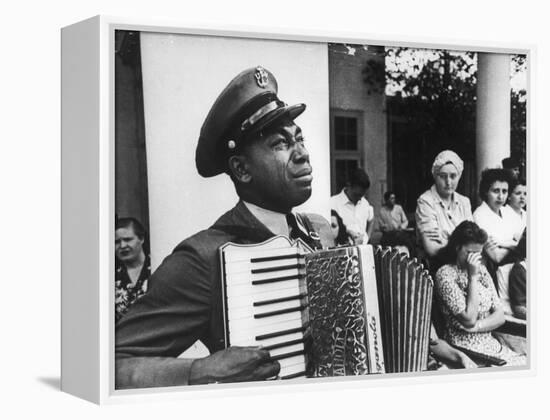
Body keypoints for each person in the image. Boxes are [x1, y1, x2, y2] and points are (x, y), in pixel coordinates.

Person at [115, 66, 333, 388]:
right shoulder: (202, 259)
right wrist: (200, 371)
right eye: (280, 143)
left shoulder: (319, 230)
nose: (302, 153)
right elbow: (112, 364)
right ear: (241, 169)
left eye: (299, 138)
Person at [434, 221, 526, 366]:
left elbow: (500, 316)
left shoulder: (481, 270)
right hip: (466, 349)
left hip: (491, 344)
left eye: (479, 253)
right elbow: (469, 319)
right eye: (470, 253)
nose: (475, 258)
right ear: (457, 247)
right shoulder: (445, 274)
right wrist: (472, 277)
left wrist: (478, 326)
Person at [415, 150, 473, 270]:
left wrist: (445, 239)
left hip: (465, 266)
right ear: (435, 176)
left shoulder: (464, 202)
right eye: (443, 176)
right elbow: (432, 249)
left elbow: (473, 242)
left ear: (459, 176)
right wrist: (461, 244)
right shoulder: (426, 201)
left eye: (453, 176)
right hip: (436, 267)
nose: (448, 182)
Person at [473, 168, 517, 266]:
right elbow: (496, 256)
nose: (500, 197)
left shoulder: (507, 212)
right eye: (496, 191)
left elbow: (521, 239)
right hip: (493, 271)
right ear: (486, 191)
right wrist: (515, 244)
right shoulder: (480, 215)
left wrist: (503, 244)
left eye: (504, 191)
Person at [115, 217, 151, 322]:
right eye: (116, 242)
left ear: (141, 239)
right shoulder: (110, 277)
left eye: (127, 239)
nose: (122, 246)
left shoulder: (157, 268)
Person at [330, 168, 374, 245]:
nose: (359, 198)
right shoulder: (333, 203)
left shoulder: (364, 202)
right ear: (348, 185)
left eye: (361, 195)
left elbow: (371, 219)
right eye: (356, 195)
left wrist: (367, 237)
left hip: (363, 248)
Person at [506, 177, 527, 242]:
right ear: (509, 196)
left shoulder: (526, 214)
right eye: (518, 193)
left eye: (525, 194)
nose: (522, 197)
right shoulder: (503, 213)